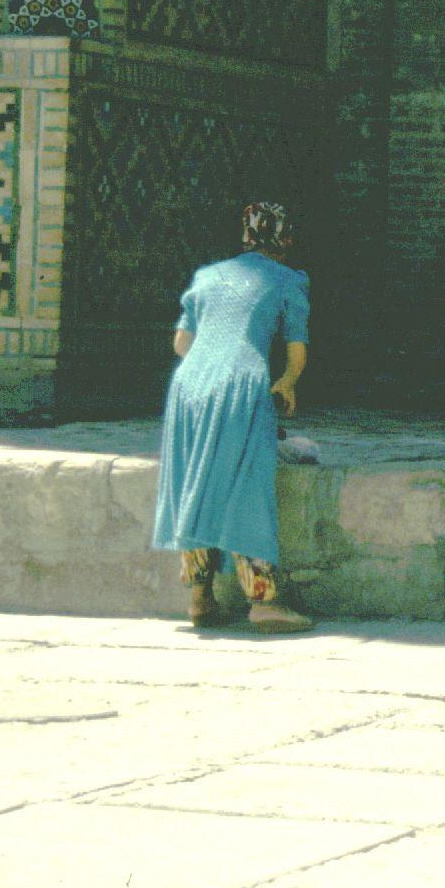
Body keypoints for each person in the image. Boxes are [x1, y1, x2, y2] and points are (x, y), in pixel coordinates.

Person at [152, 201, 314, 634]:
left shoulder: (206, 278)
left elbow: (182, 342)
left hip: (188, 387)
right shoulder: (288, 280)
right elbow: (296, 348)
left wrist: (209, 365)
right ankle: (262, 601)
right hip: (241, 385)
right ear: (285, 237)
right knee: (246, 485)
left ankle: (200, 599)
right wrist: (287, 382)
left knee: (195, 483)